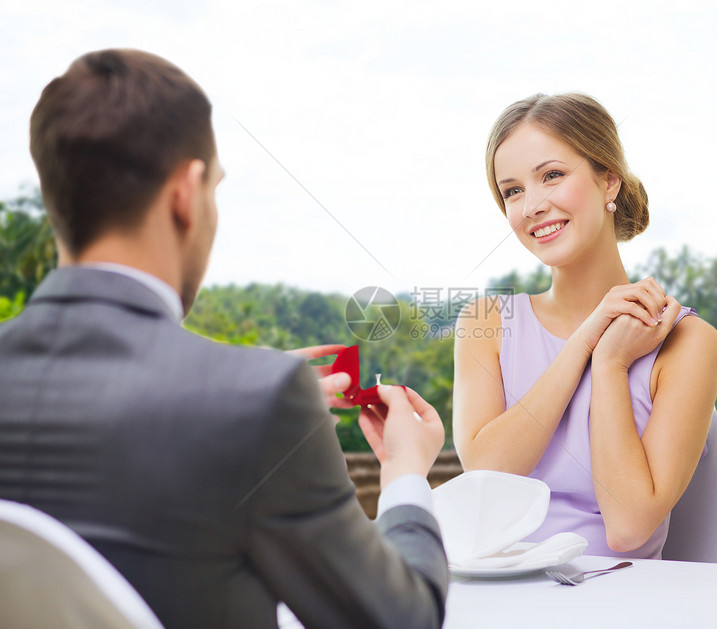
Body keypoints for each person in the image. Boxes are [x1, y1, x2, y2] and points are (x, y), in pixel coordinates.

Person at [0, 49, 448, 628]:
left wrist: (250, 390)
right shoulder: (254, 403)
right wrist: (406, 474)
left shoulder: (252, 398)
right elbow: (400, 621)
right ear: (187, 193)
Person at [453, 93, 717, 559]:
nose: (531, 205)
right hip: (492, 593)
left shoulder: (687, 341)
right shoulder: (486, 322)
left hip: (616, 600)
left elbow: (629, 528)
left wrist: (612, 362)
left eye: (552, 175)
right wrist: (585, 340)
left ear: (609, 181)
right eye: (512, 190)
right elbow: (486, 479)